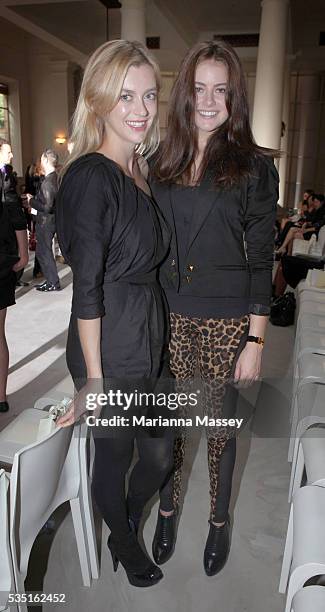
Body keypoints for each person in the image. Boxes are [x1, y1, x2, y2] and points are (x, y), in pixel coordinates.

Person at [149, 39, 279, 576]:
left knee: (219, 428)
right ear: (185, 93)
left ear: (234, 98)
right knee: (172, 424)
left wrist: (255, 339)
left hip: (228, 317)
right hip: (171, 314)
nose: (208, 101)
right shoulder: (160, 160)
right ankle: (167, 509)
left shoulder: (252, 167)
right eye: (199, 88)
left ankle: (218, 522)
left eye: (220, 90)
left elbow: (260, 258)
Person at [54, 40, 174, 588]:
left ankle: (123, 518)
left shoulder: (140, 172)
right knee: (115, 454)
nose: (141, 109)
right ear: (99, 99)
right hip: (109, 337)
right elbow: (87, 289)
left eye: (149, 95)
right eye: (126, 95)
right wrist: (96, 379)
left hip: (148, 333)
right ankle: (125, 543)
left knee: (161, 454)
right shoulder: (90, 177)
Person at [0, 138, 28, 412]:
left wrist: (22, 253)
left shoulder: (7, 179)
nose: (11, 153)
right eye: (7, 150)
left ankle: (0, 396)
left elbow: (17, 217)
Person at [24, 149, 60, 291]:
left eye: (41, 159)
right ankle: (51, 281)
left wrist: (31, 200)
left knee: (44, 252)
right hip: (48, 221)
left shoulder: (48, 182)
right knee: (42, 252)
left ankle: (53, 283)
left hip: (46, 222)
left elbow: (47, 207)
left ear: (45, 160)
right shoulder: (54, 177)